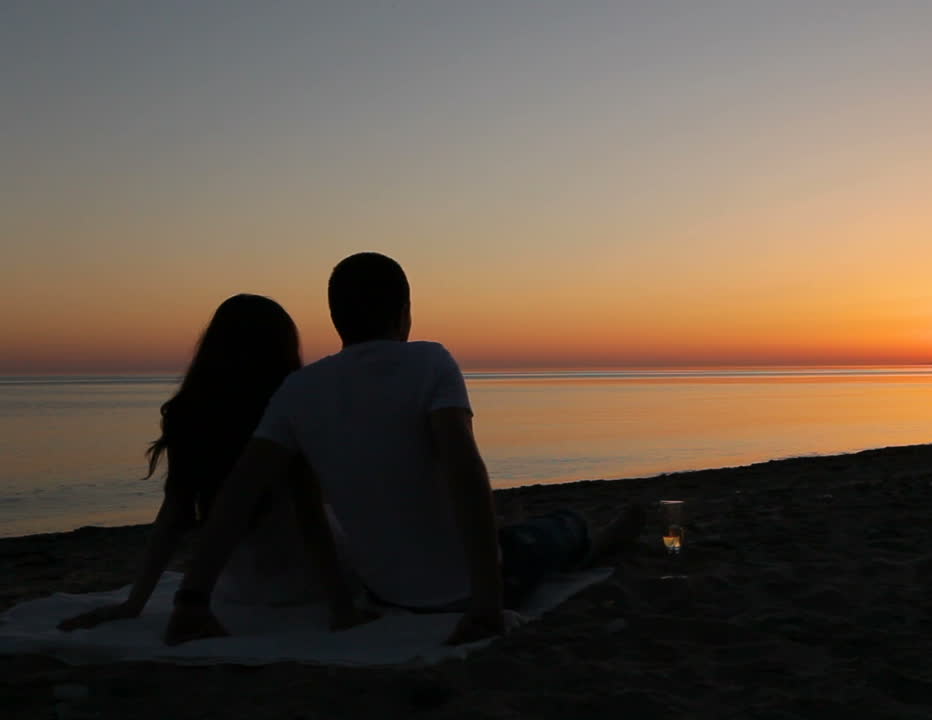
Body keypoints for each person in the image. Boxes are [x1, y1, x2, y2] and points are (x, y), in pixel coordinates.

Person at [164, 253, 643, 646]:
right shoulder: (430, 362)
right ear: (403, 312)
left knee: (513, 532)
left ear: (336, 319)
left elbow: (237, 496)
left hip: (386, 593)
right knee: (566, 525)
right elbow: (466, 473)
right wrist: (486, 603)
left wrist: (192, 599)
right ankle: (595, 544)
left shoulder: (298, 390)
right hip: (469, 589)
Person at [59, 295, 357, 633]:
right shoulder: (288, 411)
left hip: (238, 586)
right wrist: (341, 606)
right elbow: (310, 515)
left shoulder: (191, 414)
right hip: (304, 582)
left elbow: (173, 515)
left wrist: (134, 603)